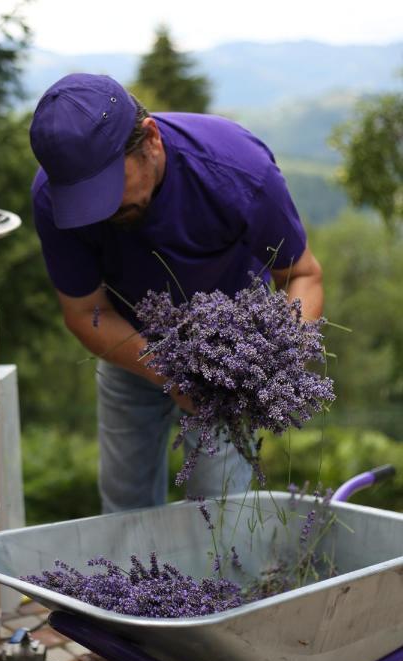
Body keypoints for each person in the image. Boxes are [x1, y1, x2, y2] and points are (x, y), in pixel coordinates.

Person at [30, 72, 323, 514]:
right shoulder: (55, 199)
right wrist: (169, 373)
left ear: (151, 140)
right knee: (124, 512)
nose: (102, 212)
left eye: (109, 192)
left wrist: (273, 367)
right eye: (86, 200)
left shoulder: (239, 171)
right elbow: (85, 311)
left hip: (231, 361)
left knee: (221, 513)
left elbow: (303, 275)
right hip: (128, 348)